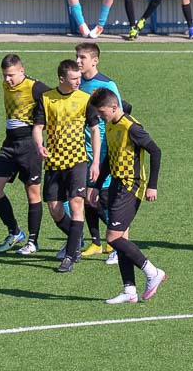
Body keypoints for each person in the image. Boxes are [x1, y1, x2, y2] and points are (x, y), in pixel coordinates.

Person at [89, 88, 165, 303]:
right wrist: (95, 185)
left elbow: (156, 151)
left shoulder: (131, 127)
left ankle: (153, 272)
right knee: (121, 239)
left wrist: (153, 185)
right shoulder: (110, 125)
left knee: (113, 238)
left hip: (131, 186)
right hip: (115, 184)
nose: (100, 117)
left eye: (102, 112)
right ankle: (129, 290)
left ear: (114, 107)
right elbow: (109, 157)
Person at [32, 59, 101, 272]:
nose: (78, 82)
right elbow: (37, 128)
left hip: (77, 161)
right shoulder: (46, 99)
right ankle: (76, 238)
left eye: (79, 78)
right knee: (54, 209)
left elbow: (95, 130)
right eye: (74, 79)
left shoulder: (85, 99)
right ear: (62, 79)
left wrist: (95, 160)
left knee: (76, 204)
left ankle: (70, 256)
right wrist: (39, 145)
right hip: (53, 162)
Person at [0, 54, 50, 255]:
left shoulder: (36, 87)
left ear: (22, 71)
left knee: (32, 193)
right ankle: (15, 232)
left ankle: (33, 241)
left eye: (11, 75)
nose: (7, 79)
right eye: (5, 75)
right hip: (9, 144)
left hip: (29, 145)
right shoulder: (6, 85)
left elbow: (55, 104)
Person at [74, 42, 122, 263]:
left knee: (103, 198)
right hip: (80, 150)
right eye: (77, 57)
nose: (78, 61)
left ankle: (117, 244)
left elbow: (118, 114)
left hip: (102, 151)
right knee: (85, 197)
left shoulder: (106, 84)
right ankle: (96, 243)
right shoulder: (76, 84)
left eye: (82, 57)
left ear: (95, 60)